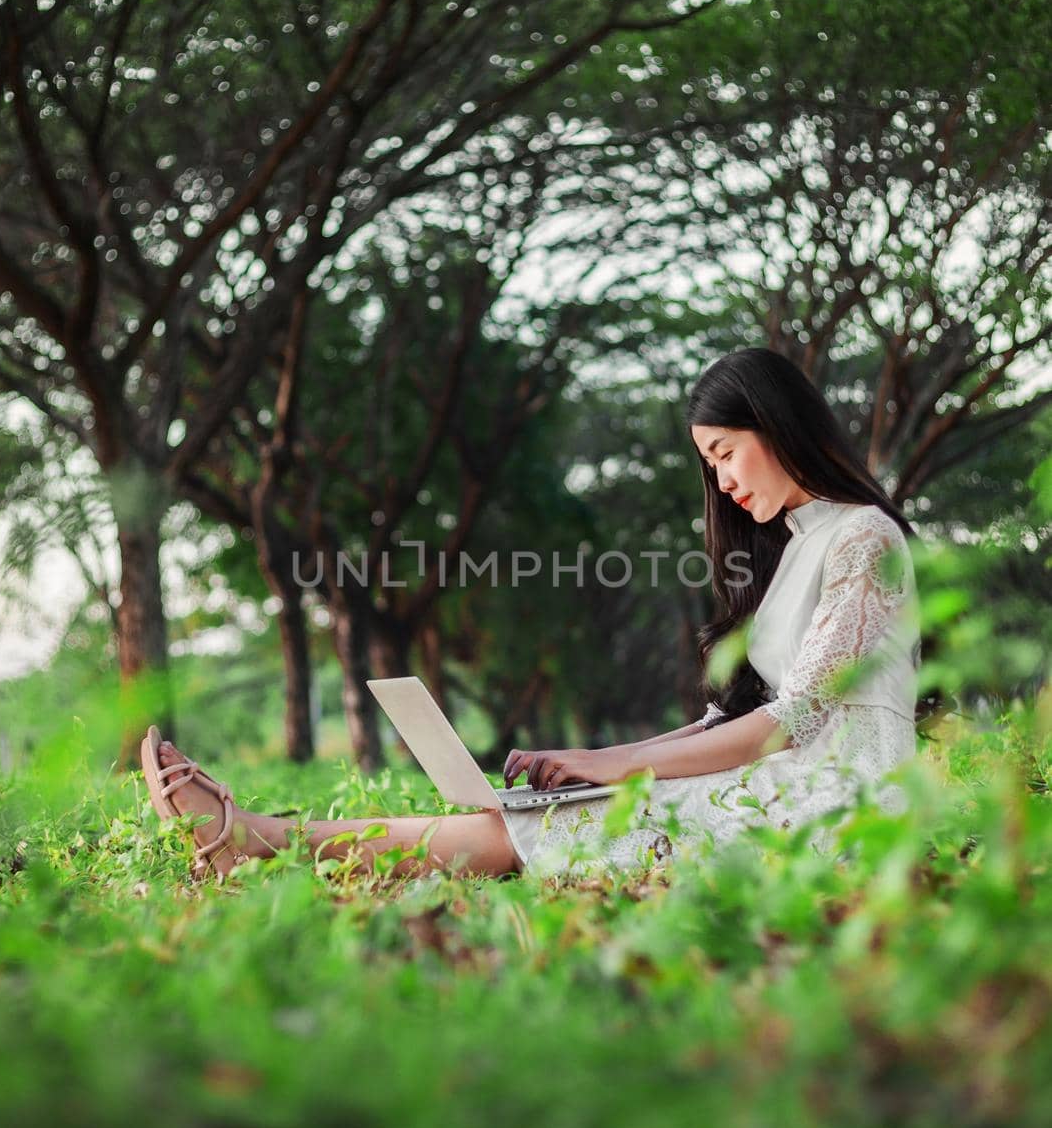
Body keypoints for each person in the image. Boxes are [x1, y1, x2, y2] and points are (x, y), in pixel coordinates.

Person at [140, 347, 922, 883]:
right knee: (561, 810)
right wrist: (593, 761)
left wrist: (615, 770)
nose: (717, 482)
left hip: (841, 804)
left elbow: (793, 722)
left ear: (777, 424)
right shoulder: (791, 548)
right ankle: (266, 839)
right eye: (706, 463)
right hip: (779, 782)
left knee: (551, 824)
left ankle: (262, 841)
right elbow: (728, 719)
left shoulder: (862, 536)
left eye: (722, 451)